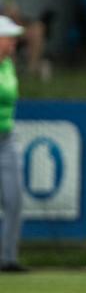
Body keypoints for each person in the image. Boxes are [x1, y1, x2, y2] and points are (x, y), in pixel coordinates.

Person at [0, 15, 26, 273]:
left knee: (14, 200)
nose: (13, 44)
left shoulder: (8, 65)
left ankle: (7, 258)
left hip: (6, 139)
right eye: (8, 38)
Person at [0, 0, 50, 81]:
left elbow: (16, 16)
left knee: (38, 29)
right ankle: (8, 73)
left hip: (10, 27)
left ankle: (31, 70)